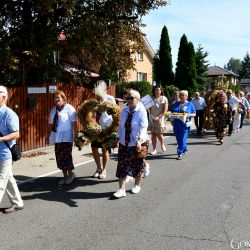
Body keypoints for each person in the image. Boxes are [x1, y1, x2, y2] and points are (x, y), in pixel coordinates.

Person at [113, 89, 149, 198]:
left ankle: (137, 185)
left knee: (137, 165)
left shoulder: (141, 110)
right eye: (127, 98)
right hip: (124, 142)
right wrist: (117, 138)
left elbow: (143, 127)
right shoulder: (124, 109)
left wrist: (139, 139)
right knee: (122, 165)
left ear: (137, 99)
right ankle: (121, 189)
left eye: (131, 98)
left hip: (138, 142)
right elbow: (121, 126)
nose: (128, 100)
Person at [0, 85, 24, 214]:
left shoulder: (9, 114)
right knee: (8, 178)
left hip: (5, 153)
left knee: (1, 180)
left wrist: (2, 139)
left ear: (3, 98)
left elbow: (16, 134)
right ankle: (18, 203)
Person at [48, 90, 77, 185]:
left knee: (67, 157)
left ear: (63, 98)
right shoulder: (53, 110)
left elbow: (73, 123)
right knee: (59, 157)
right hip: (57, 138)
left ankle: (71, 175)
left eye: (58, 97)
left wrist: (77, 135)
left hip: (67, 137)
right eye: (55, 98)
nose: (56, 99)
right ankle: (64, 177)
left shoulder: (69, 108)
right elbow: (50, 124)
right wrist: (48, 135)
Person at [91, 81, 116, 179]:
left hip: (107, 126)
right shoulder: (94, 100)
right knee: (94, 149)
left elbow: (114, 112)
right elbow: (92, 114)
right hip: (96, 127)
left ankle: (104, 170)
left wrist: (104, 106)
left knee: (104, 149)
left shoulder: (110, 98)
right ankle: (98, 168)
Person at [171, 90, 196, 160]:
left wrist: (188, 115)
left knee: (182, 139)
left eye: (183, 95)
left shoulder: (190, 104)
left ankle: (180, 153)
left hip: (185, 125)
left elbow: (194, 114)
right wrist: (171, 115)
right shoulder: (176, 103)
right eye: (180, 95)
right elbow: (172, 112)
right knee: (179, 140)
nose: (181, 96)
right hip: (176, 124)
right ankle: (184, 147)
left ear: (186, 97)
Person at [149, 85, 168, 155]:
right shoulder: (150, 98)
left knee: (159, 133)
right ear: (154, 90)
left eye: (159, 90)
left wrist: (159, 117)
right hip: (152, 117)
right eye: (156, 90)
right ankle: (154, 149)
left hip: (160, 117)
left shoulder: (164, 98)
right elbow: (147, 108)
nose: (157, 91)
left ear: (161, 91)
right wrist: (151, 116)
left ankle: (162, 144)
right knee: (153, 133)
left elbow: (165, 109)